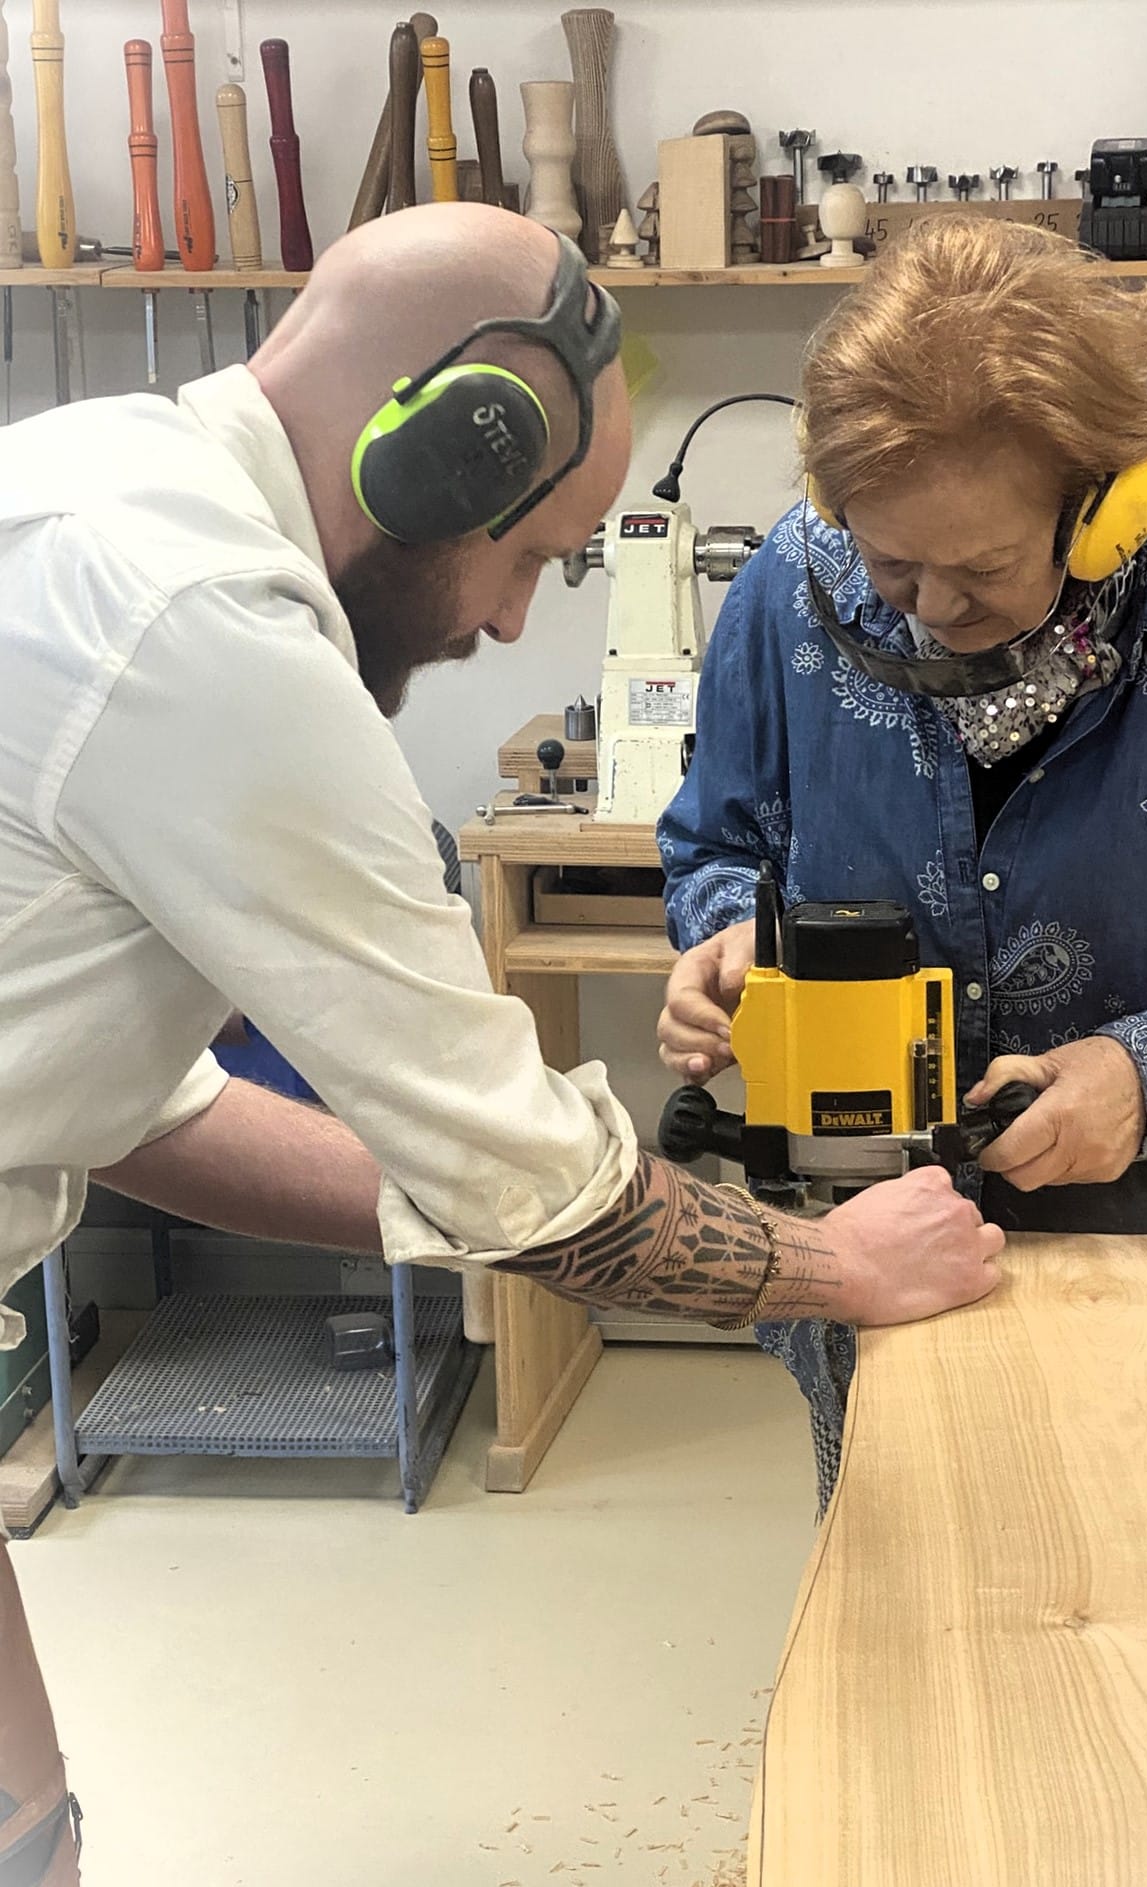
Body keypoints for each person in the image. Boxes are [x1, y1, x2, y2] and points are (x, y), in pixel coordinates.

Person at [0, 205, 1004, 1877]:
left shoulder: (89, 478)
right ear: (441, 457)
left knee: (29, 1831)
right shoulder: (212, 639)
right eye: (535, 554)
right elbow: (552, 1198)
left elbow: (118, 1102)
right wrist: (839, 1269)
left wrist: (437, 1193)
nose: (522, 621)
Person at [657, 217, 1147, 1508]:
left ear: (1098, 507)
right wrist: (727, 935)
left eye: (975, 572)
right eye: (888, 559)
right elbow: (717, 840)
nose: (919, 610)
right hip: (891, 1292)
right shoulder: (792, 600)